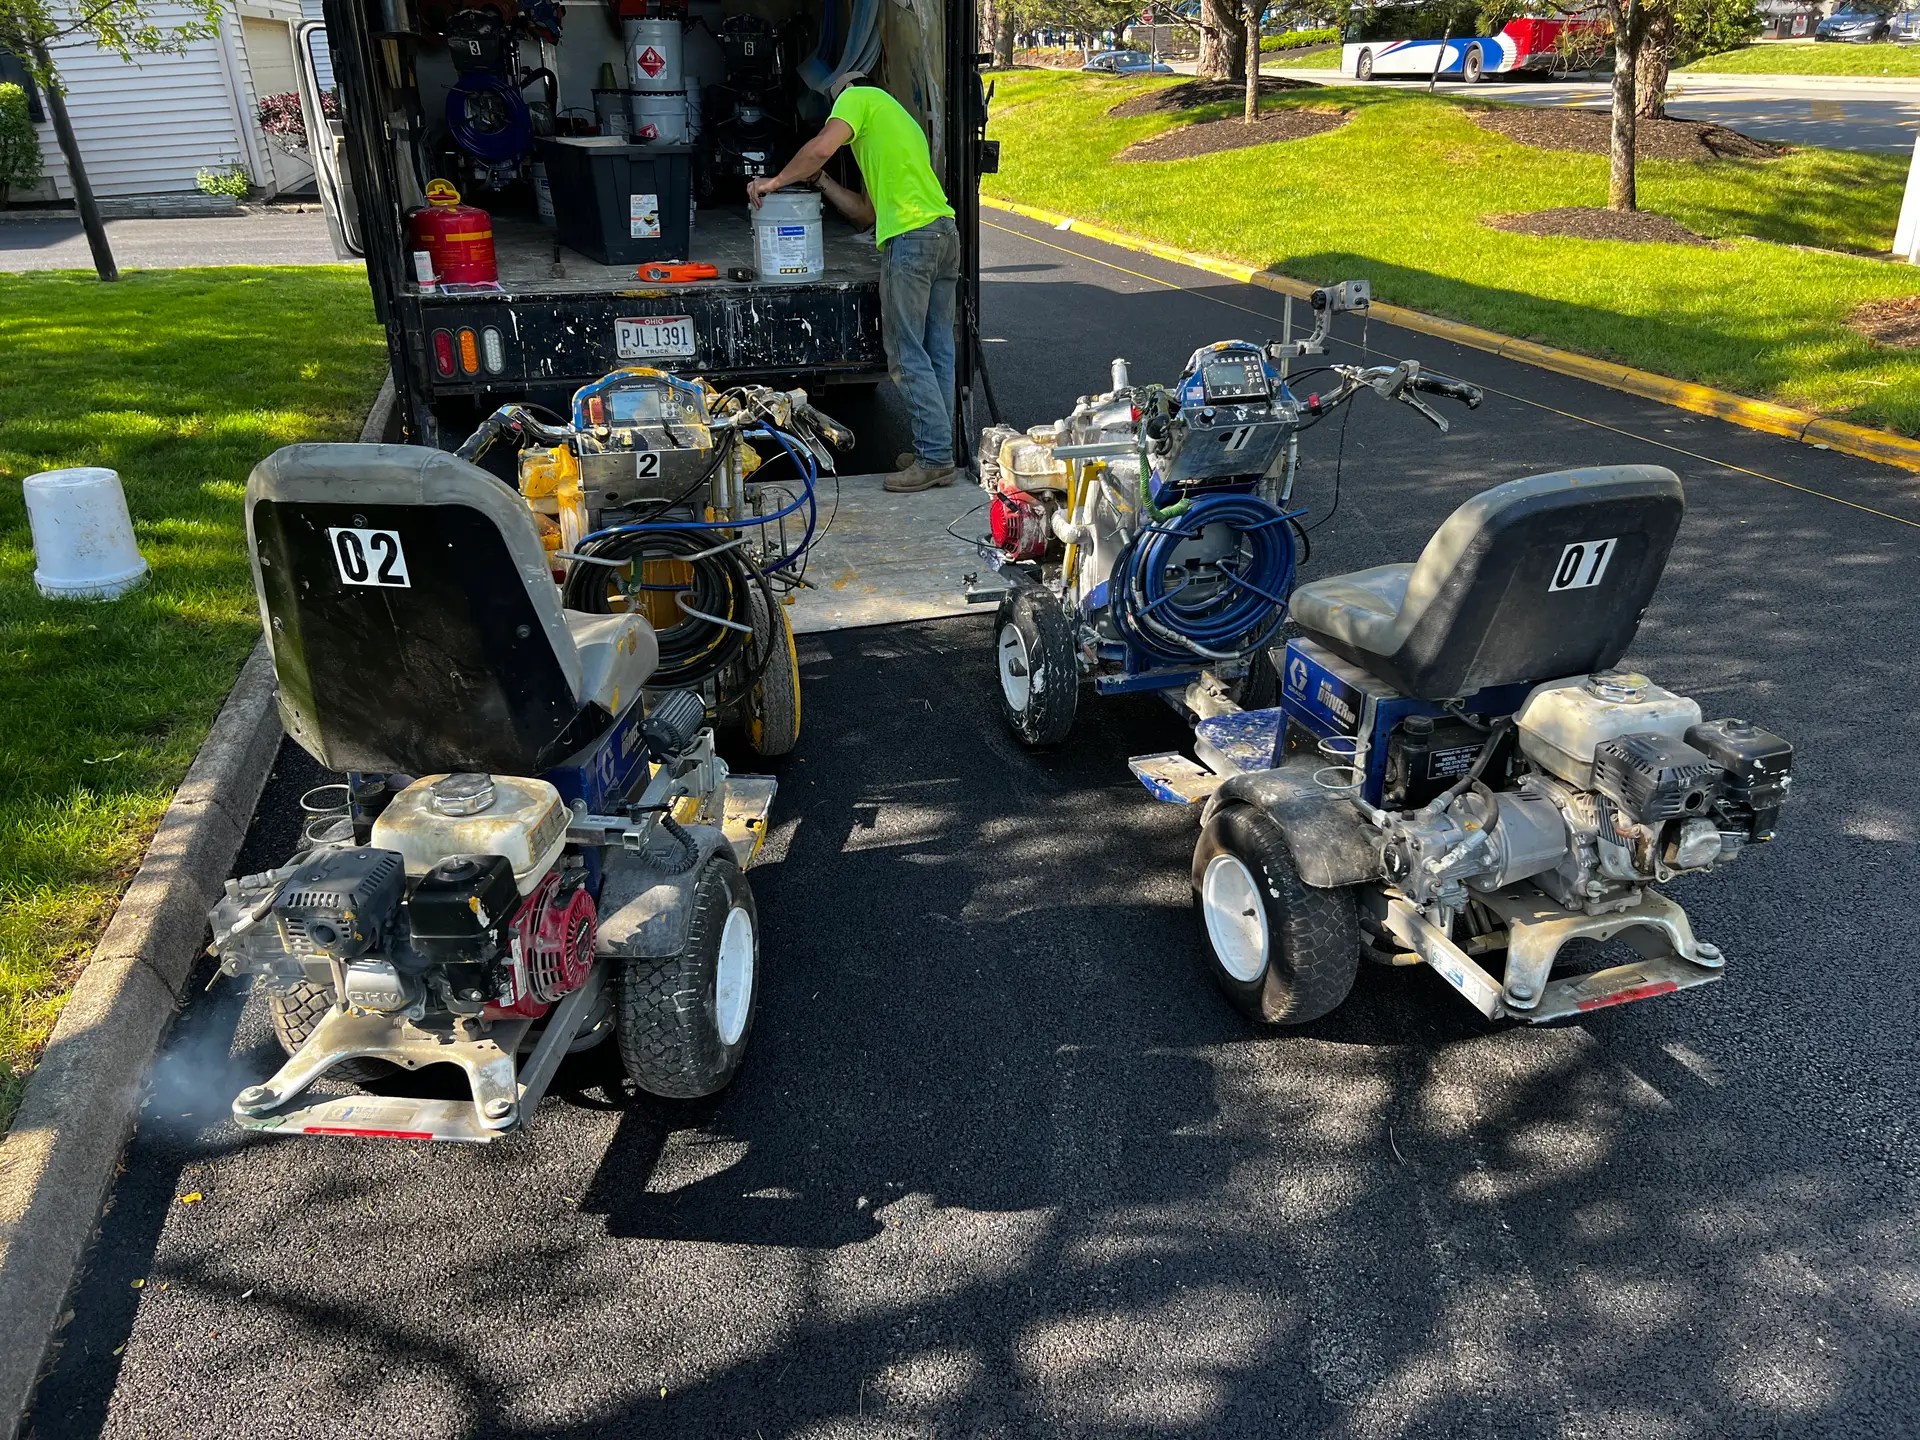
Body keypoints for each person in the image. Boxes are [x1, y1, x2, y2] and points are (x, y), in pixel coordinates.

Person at [747, 74, 960, 494]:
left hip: (912, 239)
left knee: (906, 352)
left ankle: (934, 458)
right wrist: (821, 181)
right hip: (943, 234)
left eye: (833, 108)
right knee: (938, 353)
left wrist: (773, 182)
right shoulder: (897, 121)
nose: (834, 115)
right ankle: (937, 450)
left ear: (844, 92)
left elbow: (822, 147)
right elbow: (864, 212)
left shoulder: (859, 96)